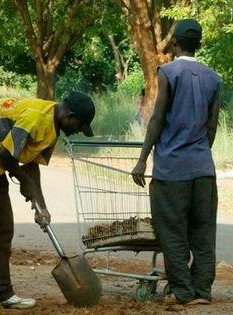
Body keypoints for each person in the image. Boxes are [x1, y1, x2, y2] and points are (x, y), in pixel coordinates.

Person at [0, 92, 95, 314]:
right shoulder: (36, 117)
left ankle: (0, 292)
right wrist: (25, 183)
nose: (77, 130)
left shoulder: (52, 126)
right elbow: (7, 155)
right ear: (70, 115)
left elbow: (31, 166)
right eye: (79, 125)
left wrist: (41, 206)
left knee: (1, 228)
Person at [131, 19, 221, 306]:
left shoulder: (169, 72)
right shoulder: (213, 78)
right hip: (204, 170)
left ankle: (182, 291)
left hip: (172, 171)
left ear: (174, 43)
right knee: (203, 233)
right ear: (200, 43)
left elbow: (157, 118)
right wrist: (198, 155)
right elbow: (211, 126)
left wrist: (142, 159)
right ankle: (202, 291)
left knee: (172, 231)